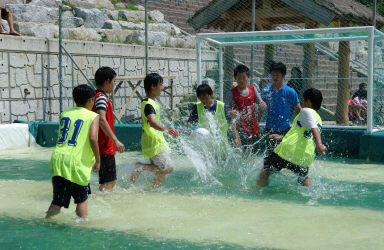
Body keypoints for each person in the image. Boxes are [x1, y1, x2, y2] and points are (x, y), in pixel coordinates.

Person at [46, 84, 100, 218]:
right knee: (82, 199)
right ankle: (83, 225)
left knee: (57, 202)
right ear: (90, 100)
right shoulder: (93, 116)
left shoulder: (65, 114)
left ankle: (47, 219)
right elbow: (93, 139)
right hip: (77, 164)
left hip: (58, 160)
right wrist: (98, 160)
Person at [257, 88, 327, 187]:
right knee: (304, 178)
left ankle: (258, 193)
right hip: (303, 157)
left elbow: (313, 128)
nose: (302, 102)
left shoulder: (305, 111)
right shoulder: (319, 119)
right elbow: (300, 134)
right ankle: (312, 196)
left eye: (303, 99)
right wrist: (281, 137)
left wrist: (319, 145)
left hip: (287, 152)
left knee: (266, 170)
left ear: (308, 101)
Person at [130, 73, 179, 188]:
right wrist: (168, 130)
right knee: (168, 168)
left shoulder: (150, 102)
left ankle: (152, 191)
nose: (162, 88)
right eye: (160, 84)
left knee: (160, 171)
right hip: (154, 141)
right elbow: (152, 122)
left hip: (153, 140)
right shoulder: (148, 104)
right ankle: (140, 167)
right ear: (153, 86)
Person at [92, 66, 125, 192]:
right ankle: (98, 206)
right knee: (109, 182)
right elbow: (101, 119)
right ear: (107, 81)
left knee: (107, 181)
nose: (114, 84)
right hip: (105, 146)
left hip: (101, 145)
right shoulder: (101, 97)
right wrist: (115, 140)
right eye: (114, 81)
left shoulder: (94, 96)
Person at [261, 62, 301, 156]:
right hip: (270, 129)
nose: (274, 77)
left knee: (286, 156)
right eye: (273, 75)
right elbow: (260, 109)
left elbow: (298, 109)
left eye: (277, 75)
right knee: (272, 155)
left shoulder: (290, 92)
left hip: (285, 130)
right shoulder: (266, 91)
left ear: (283, 75)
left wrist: (299, 127)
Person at [224, 64, 266, 154]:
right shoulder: (231, 93)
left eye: (244, 77)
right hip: (240, 127)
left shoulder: (252, 89)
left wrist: (263, 104)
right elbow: (224, 109)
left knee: (255, 151)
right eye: (239, 77)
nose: (241, 80)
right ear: (235, 78)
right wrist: (229, 111)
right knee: (246, 149)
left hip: (253, 126)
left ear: (248, 77)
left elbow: (261, 102)